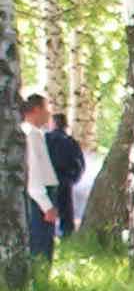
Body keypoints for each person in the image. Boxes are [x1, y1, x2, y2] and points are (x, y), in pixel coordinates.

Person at [19, 94, 59, 261]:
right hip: (39, 196)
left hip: (42, 193)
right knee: (41, 245)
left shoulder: (37, 134)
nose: (49, 113)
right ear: (36, 110)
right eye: (47, 108)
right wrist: (46, 204)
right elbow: (34, 171)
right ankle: (39, 280)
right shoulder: (31, 135)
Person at [45, 111, 84, 239]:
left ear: (54, 123)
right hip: (65, 179)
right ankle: (66, 236)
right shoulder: (71, 142)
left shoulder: (46, 139)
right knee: (66, 211)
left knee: (46, 209)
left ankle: (47, 236)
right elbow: (80, 164)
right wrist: (73, 179)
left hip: (48, 179)